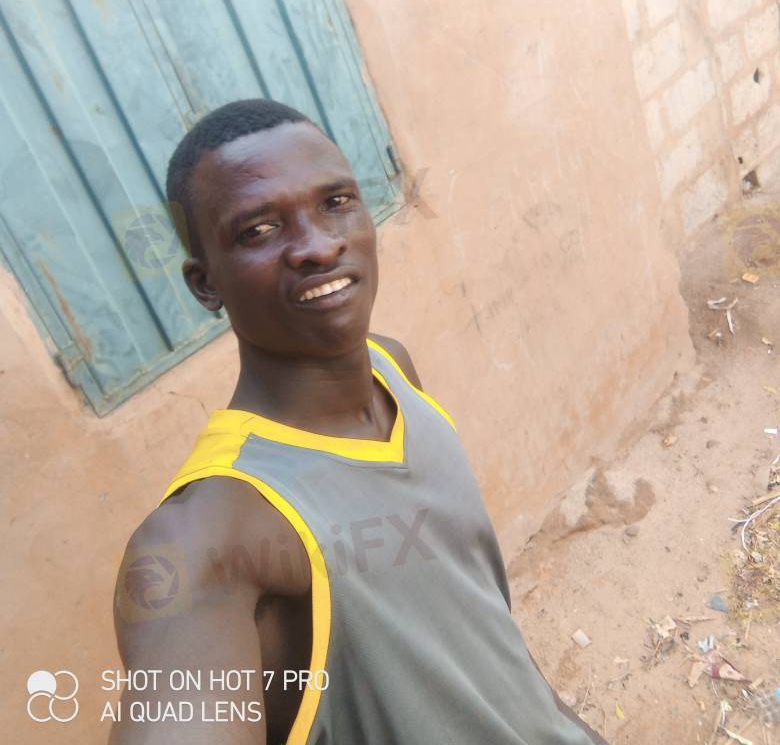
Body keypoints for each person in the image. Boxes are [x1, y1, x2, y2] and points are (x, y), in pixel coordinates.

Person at [111, 98, 608, 744]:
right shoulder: (210, 533)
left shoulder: (392, 369)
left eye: (336, 202)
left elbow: (476, 626)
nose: (319, 245)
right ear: (206, 285)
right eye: (259, 230)